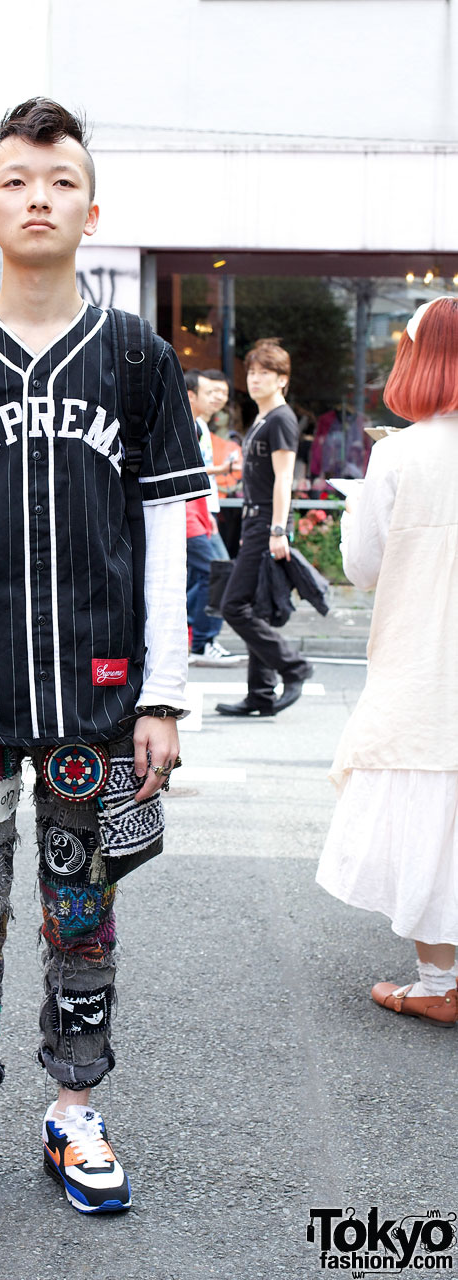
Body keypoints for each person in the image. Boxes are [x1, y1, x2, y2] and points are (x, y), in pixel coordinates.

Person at [0, 98, 209, 1218]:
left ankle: (74, 1109)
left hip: (99, 707)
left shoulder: (139, 359)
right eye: (16, 180)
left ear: (89, 208)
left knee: (84, 915)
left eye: (58, 181)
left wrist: (163, 691)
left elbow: (164, 535)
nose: (37, 198)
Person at [316, 296, 458, 1024]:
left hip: (424, 662)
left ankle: (438, 981)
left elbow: (362, 567)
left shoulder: (397, 453)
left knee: (427, 809)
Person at [215, 339, 313, 717]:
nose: (255, 379)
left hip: (266, 523)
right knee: (252, 605)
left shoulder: (282, 419)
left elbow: (283, 478)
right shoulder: (260, 419)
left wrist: (276, 530)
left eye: (265, 373)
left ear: (282, 379)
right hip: (254, 520)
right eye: (252, 372)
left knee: (234, 606)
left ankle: (294, 667)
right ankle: (261, 694)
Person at [183, 370, 242, 666]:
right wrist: (219, 471)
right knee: (216, 571)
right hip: (186, 512)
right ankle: (202, 642)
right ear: (191, 394)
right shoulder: (182, 424)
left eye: (222, 393)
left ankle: (194, 637)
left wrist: (212, 511)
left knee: (207, 574)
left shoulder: (200, 426)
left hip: (202, 510)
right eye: (211, 392)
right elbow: (185, 469)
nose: (217, 398)